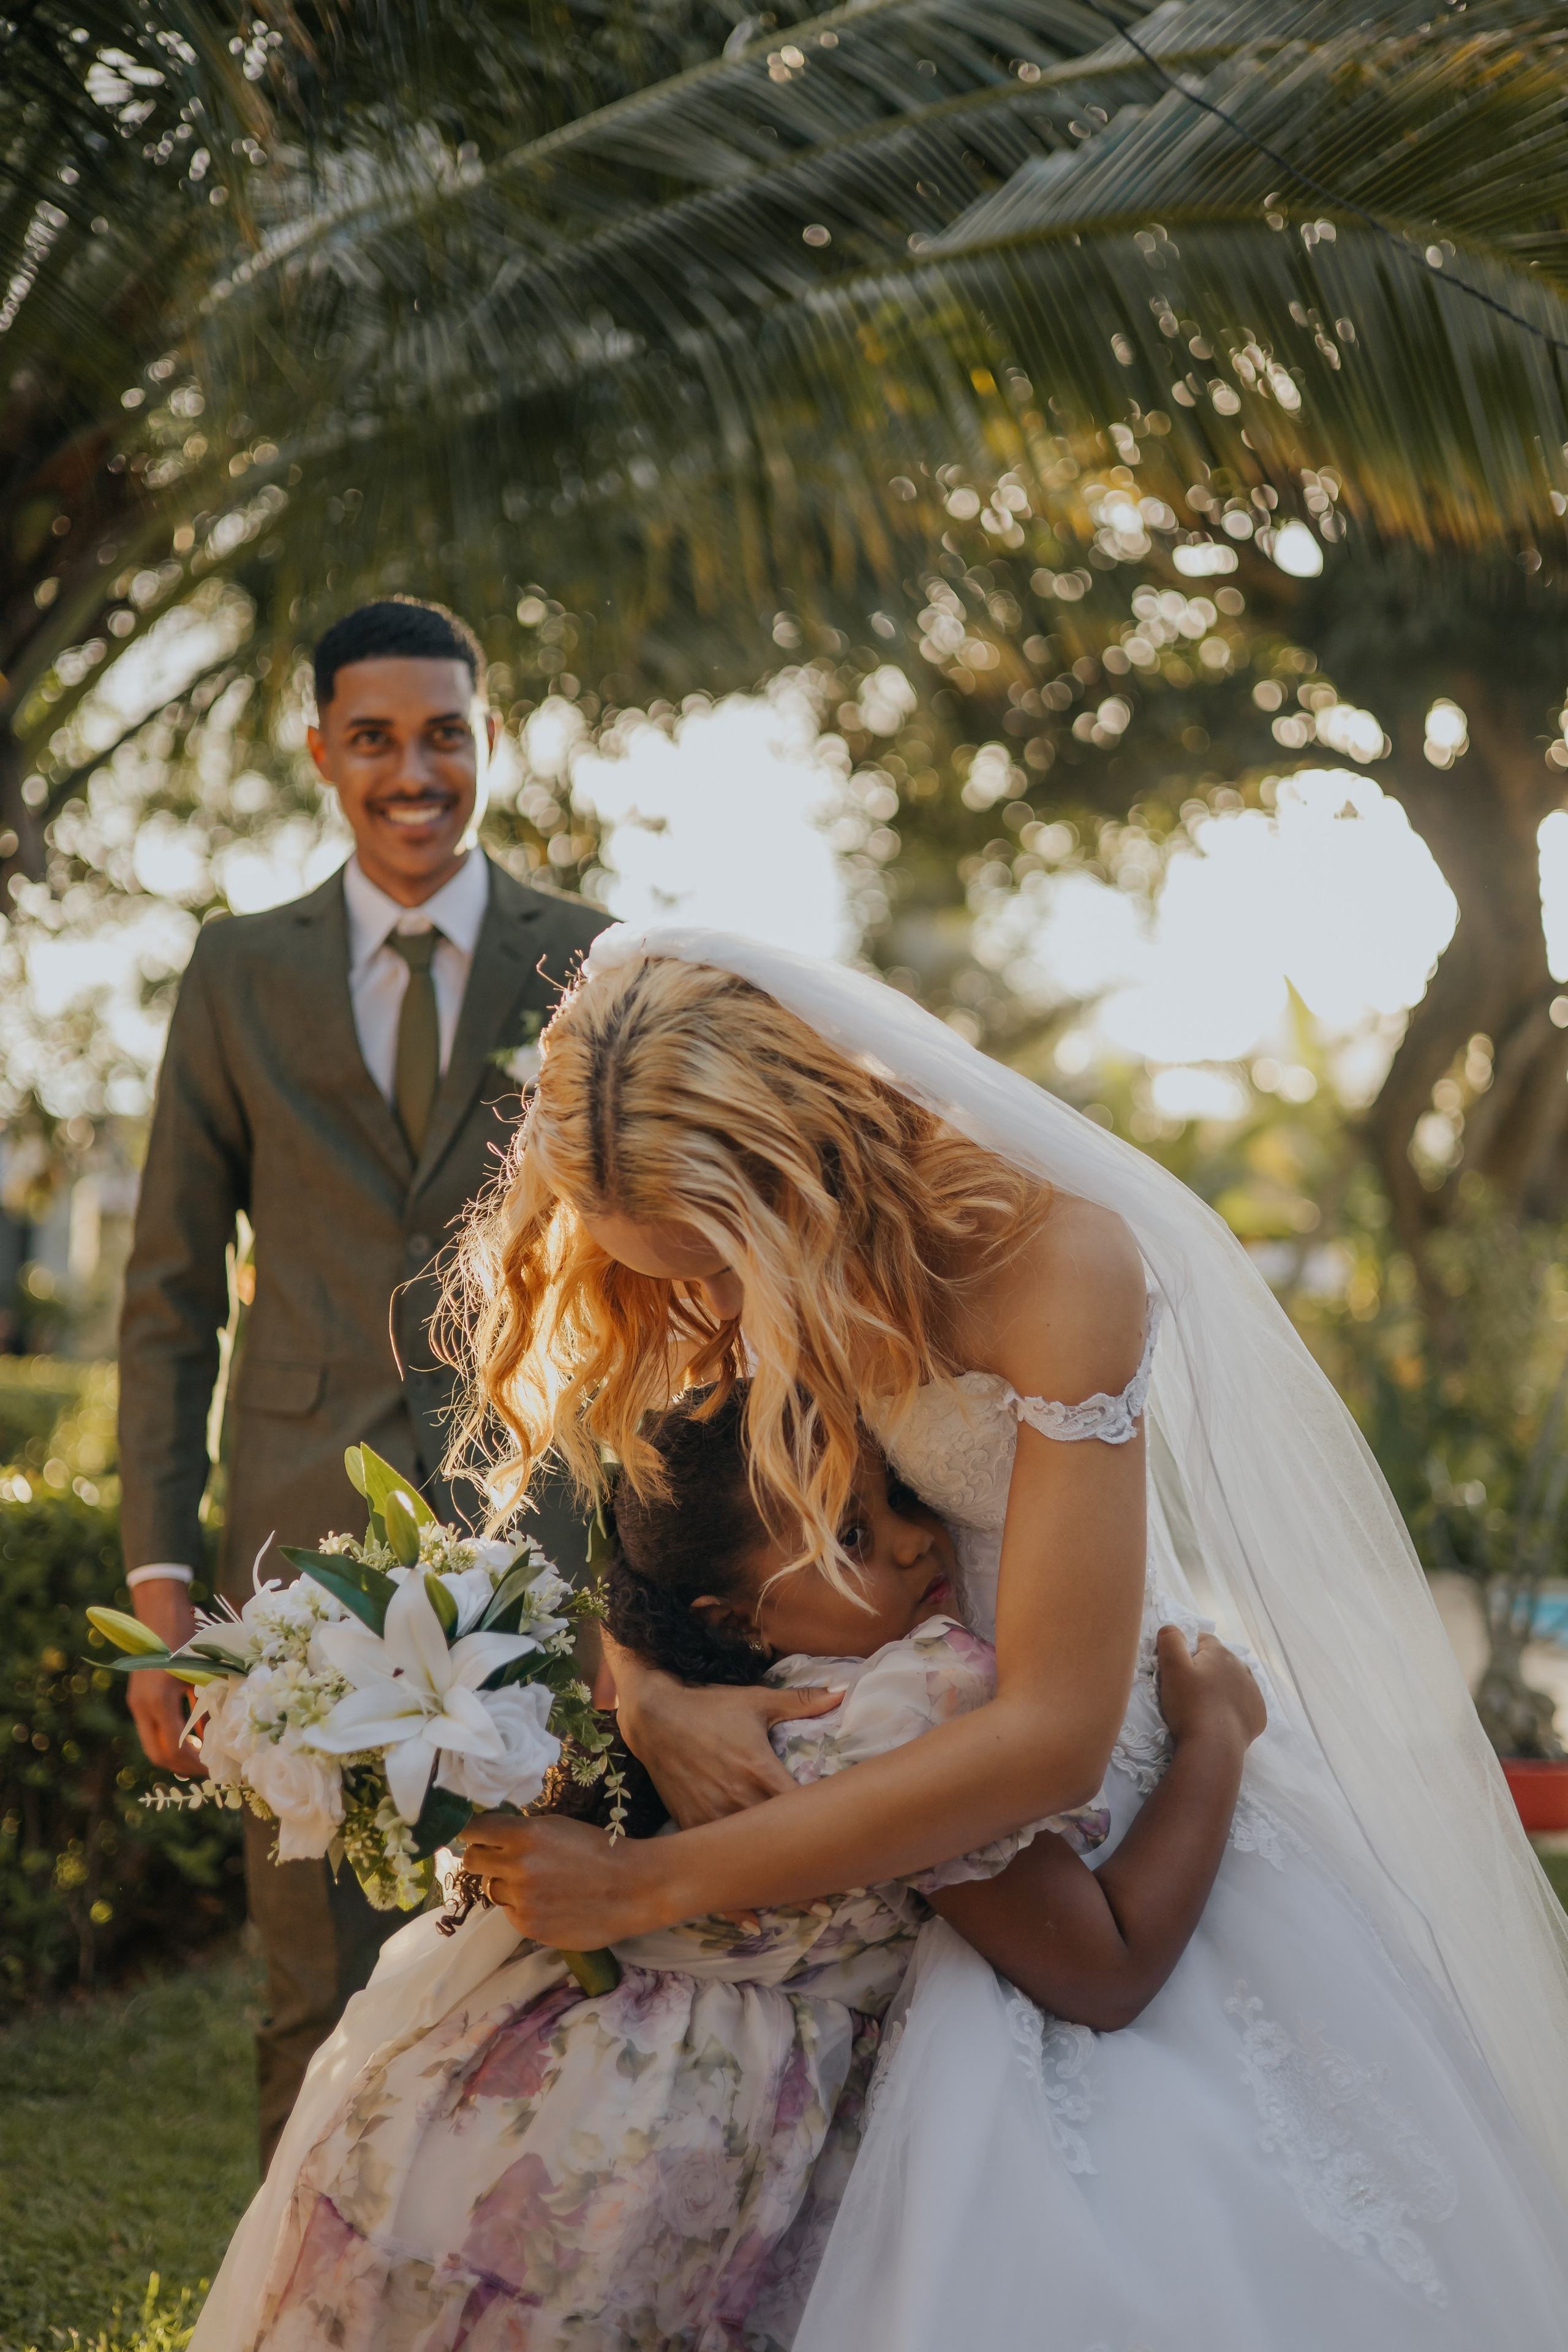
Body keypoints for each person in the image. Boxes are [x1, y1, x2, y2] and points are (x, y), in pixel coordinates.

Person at [450, 928, 1568, 2346]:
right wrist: (653, 1694)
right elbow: (685, 1551)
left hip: (1068, 1785)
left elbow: (1047, 1739)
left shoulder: (1056, 1265)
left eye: (717, 1272)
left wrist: (641, 1885)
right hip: (849, 1744)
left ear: (801, 1172)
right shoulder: (721, 1263)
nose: (712, 1318)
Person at [190, 1390, 1265, 2351]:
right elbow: (1109, 1967)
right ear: (733, 1621)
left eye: (892, 1496)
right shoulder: (903, 1713)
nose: (911, 1542)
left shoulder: (665, 1727)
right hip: (653, 2180)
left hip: (480, 2133)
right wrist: (1214, 1732)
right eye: (851, 1533)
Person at [116, 597, 606, 2162]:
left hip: (534, 1523)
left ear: (485, 743)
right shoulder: (235, 972)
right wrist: (163, 1584)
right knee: (307, 1971)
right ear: (323, 750)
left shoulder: (587, 957)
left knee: (545, 1947)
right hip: (290, 1544)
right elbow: (170, 1294)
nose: (414, 770)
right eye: (377, 737)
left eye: (444, 734)